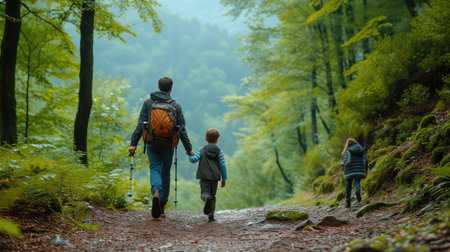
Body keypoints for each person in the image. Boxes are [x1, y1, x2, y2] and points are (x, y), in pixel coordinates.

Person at [128, 77, 194, 218]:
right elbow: (182, 129)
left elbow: (141, 124)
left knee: (155, 168)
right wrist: (188, 149)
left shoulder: (148, 103)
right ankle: (162, 205)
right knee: (166, 173)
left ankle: (156, 191)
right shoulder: (175, 105)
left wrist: (133, 144)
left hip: (152, 142)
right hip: (168, 144)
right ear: (170, 88)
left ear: (158, 86)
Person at [189, 128, 227, 222]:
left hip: (204, 176)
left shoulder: (201, 150)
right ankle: (211, 216)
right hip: (215, 177)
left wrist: (190, 154)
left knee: (205, 194)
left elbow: (194, 159)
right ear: (217, 139)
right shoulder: (219, 151)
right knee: (213, 196)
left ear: (206, 139)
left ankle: (207, 198)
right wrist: (224, 178)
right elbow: (223, 165)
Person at [340, 138, 368, 208]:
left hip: (349, 171)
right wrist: (366, 170)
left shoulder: (348, 151)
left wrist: (343, 165)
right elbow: (366, 160)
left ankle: (348, 203)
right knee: (357, 181)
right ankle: (358, 189)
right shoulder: (361, 150)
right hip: (359, 171)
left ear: (348, 144)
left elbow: (345, 160)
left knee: (348, 185)